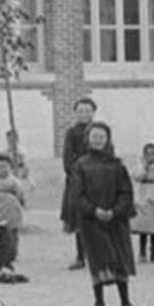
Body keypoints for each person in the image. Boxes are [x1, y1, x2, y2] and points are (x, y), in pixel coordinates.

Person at [64, 122, 137, 306]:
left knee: (120, 257)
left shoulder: (117, 165)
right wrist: (93, 210)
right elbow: (77, 194)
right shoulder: (81, 165)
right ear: (88, 139)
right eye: (94, 136)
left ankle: (125, 301)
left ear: (108, 139)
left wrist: (115, 210)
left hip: (116, 220)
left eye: (101, 136)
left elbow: (126, 192)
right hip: (91, 221)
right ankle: (99, 301)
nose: (98, 140)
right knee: (97, 259)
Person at [60, 96, 97, 269]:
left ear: (93, 112)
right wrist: (81, 172)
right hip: (78, 182)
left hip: (98, 181)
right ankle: (81, 256)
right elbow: (68, 160)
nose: (84, 114)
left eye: (88, 111)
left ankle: (98, 256)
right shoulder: (72, 133)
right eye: (81, 111)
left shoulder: (99, 130)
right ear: (75, 113)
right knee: (80, 221)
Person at [0, 155, 28, 276]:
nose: (2, 169)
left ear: (10, 167)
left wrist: (21, 204)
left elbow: (20, 195)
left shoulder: (14, 182)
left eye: (4, 166)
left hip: (11, 209)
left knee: (12, 232)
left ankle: (13, 253)